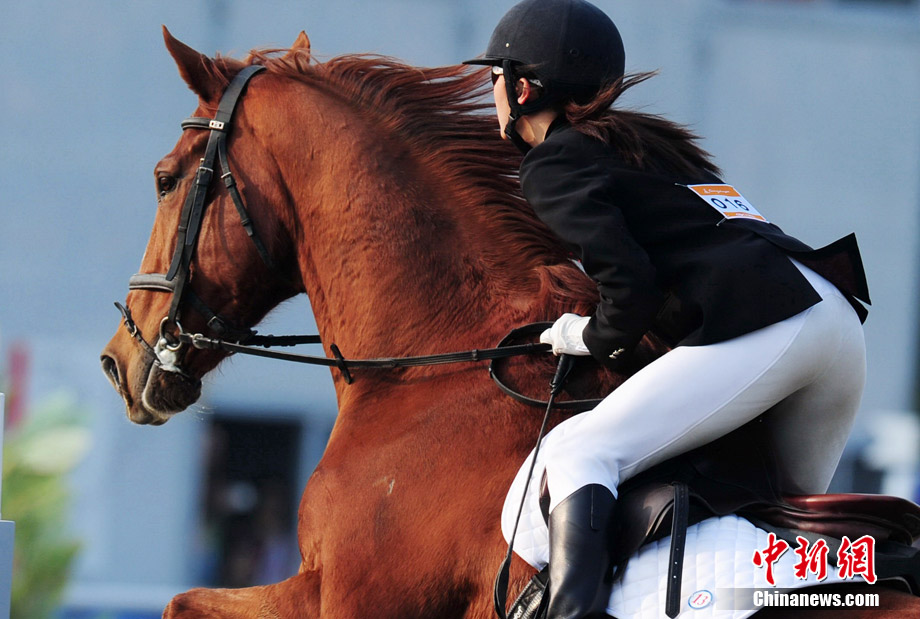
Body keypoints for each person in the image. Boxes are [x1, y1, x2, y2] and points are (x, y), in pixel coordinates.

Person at [464, 1, 871, 617]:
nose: (491, 91)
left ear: (523, 88)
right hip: (833, 320)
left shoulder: (554, 161)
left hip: (771, 326)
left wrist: (588, 336)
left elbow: (631, 288)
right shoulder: (646, 143)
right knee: (773, 525)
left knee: (579, 453)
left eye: (495, 76)